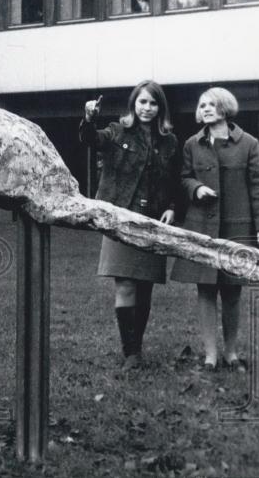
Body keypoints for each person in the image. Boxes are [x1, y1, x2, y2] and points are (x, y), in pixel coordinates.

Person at [169, 87, 259, 372]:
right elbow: (184, 178)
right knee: (205, 289)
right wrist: (196, 188)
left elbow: (258, 186)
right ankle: (210, 356)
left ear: (225, 108)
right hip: (202, 227)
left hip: (237, 227)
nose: (205, 109)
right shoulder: (192, 144)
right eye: (202, 105)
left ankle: (231, 353)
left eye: (211, 104)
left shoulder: (248, 143)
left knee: (232, 291)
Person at [80, 80, 179, 369]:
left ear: (160, 107)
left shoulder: (169, 141)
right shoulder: (116, 130)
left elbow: (173, 181)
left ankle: (137, 347)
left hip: (152, 221)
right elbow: (91, 139)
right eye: (142, 102)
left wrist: (172, 208)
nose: (147, 108)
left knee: (145, 286)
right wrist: (88, 119)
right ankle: (130, 353)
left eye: (153, 103)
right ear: (133, 104)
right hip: (118, 218)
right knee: (125, 284)